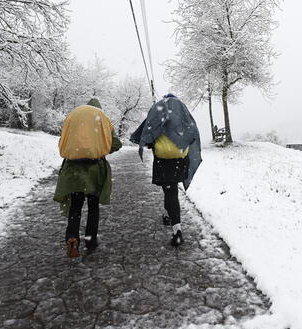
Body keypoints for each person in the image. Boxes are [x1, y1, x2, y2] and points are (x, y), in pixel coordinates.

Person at [130, 93, 201, 247]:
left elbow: (146, 133)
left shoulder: (158, 109)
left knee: (169, 190)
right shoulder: (182, 110)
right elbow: (192, 133)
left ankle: (177, 230)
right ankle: (168, 216)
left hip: (163, 158)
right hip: (179, 157)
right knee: (171, 189)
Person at [53, 98, 121, 258]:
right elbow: (117, 144)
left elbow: (62, 141)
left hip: (73, 170)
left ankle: (72, 238)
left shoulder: (73, 117)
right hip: (95, 170)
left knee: (75, 207)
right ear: (99, 108)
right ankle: (90, 240)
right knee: (93, 207)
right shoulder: (102, 118)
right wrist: (100, 149)